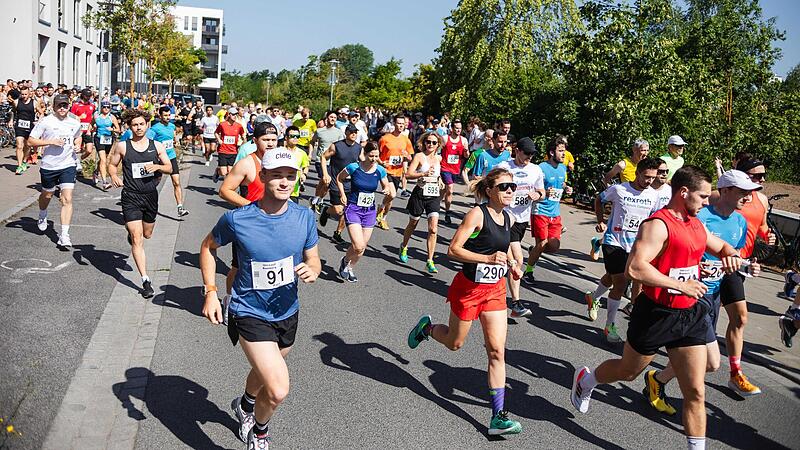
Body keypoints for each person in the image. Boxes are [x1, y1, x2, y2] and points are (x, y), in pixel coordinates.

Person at [571, 166, 742, 450]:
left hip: (690, 314)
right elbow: (635, 268)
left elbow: (720, 246)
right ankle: (587, 380)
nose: (706, 202)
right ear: (683, 193)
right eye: (702, 196)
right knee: (628, 372)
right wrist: (680, 285)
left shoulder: (696, 223)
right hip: (655, 313)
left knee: (696, 391)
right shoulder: (657, 225)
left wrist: (734, 256)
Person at [200, 148, 321, 449]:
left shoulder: (305, 217)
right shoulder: (238, 219)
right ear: (263, 176)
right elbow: (207, 247)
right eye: (277, 175)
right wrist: (211, 293)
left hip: (287, 310)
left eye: (290, 176)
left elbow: (314, 258)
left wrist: (314, 269)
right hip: (248, 310)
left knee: (267, 368)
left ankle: (244, 404)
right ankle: (260, 430)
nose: (284, 182)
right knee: (278, 388)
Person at [407, 167, 523, 436]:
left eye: (512, 187)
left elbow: (502, 251)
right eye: (504, 187)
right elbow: (453, 250)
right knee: (454, 344)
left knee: (497, 351)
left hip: (494, 291)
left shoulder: (508, 218)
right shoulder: (476, 214)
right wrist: (488, 259)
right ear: (490, 190)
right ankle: (427, 329)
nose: (509, 191)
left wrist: (513, 266)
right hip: (468, 290)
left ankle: (498, 416)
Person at [643, 169, 762, 415]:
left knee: (710, 363)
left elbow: (732, 253)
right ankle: (675, 391)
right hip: (688, 295)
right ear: (726, 190)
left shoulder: (740, 221)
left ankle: (658, 379)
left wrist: (746, 264)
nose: (748, 198)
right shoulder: (699, 214)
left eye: (750, 193)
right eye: (743, 192)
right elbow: (673, 251)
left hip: (713, 293)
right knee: (702, 364)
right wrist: (697, 268)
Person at [708, 157, 774, 397]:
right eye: (755, 177)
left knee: (740, 318)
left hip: (736, 265)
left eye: (762, 177)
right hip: (707, 269)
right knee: (704, 333)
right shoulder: (717, 198)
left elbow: (761, 227)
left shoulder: (761, 200)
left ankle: (735, 373)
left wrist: (765, 241)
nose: (761, 181)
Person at [584, 158, 661, 343]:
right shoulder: (619, 189)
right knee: (620, 283)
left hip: (636, 245)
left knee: (611, 277)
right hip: (614, 242)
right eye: (646, 177)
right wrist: (601, 221)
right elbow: (599, 200)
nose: (649, 181)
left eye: (652, 177)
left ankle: (593, 297)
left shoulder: (653, 195)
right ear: (637, 173)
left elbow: (656, 218)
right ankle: (609, 326)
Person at [107, 109, 173, 298]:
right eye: (134, 125)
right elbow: (112, 164)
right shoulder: (123, 146)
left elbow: (169, 167)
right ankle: (145, 280)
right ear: (130, 127)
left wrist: (158, 166)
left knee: (147, 234)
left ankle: (135, 235)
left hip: (150, 196)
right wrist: (113, 175)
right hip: (130, 196)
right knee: (137, 239)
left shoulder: (157, 146)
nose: (138, 128)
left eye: (141, 124)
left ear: (147, 125)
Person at [218, 122, 280, 316]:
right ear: (255, 141)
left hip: (275, 224)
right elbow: (225, 191)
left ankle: (261, 304)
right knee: (239, 267)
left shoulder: (280, 161)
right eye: (265, 140)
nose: (270, 143)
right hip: (249, 225)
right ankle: (229, 299)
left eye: (273, 139)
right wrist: (251, 207)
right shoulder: (247, 163)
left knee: (272, 265)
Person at [26, 94, 89, 248]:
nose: (62, 108)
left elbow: (78, 137)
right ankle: (42, 213)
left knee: (67, 199)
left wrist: (77, 145)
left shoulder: (74, 122)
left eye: (65, 105)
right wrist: (50, 141)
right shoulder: (46, 121)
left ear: (69, 106)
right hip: (49, 166)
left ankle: (64, 235)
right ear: (53, 106)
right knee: (47, 194)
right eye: (59, 105)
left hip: (68, 164)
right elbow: (31, 140)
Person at [496, 137, 545, 318]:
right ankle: (515, 303)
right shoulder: (504, 167)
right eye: (527, 154)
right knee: (517, 259)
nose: (529, 157)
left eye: (532, 154)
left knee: (508, 261)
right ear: (517, 150)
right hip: (504, 217)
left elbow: (542, 191)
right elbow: (490, 185)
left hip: (522, 220)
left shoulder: (536, 170)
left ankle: (495, 292)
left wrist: (537, 194)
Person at [335, 142, 390, 282]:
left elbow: (386, 184)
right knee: (358, 245)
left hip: (370, 211)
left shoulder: (380, 170)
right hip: (353, 208)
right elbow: (339, 178)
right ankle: (346, 260)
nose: (374, 159)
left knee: (362, 247)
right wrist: (342, 194)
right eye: (371, 156)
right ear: (365, 154)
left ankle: (350, 267)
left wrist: (387, 189)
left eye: (377, 156)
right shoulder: (354, 167)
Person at [522, 135, 572, 284]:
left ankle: (534, 252)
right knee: (542, 243)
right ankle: (528, 272)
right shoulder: (540, 168)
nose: (564, 154)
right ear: (552, 152)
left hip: (555, 213)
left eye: (564, 151)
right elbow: (534, 188)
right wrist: (543, 193)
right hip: (540, 210)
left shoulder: (563, 168)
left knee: (554, 247)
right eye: (561, 151)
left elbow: (560, 183)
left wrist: (566, 188)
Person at [398, 131, 444, 274]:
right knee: (413, 223)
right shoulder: (419, 156)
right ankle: (404, 246)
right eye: (428, 142)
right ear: (424, 143)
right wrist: (422, 174)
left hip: (434, 195)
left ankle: (430, 260)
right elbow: (408, 174)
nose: (430, 145)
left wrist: (440, 180)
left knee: (433, 228)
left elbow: (437, 173)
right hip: (419, 194)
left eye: (434, 143)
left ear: (438, 145)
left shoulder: (439, 158)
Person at [320, 125, 364, 244]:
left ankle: (337, 233)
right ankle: (327, 211)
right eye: (351, 132)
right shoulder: (337, 146)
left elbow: (363, 162)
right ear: (346, 132)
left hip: (351, 184)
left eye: (355, 132)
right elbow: (323, 157)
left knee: (347, 210)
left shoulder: (359, 148)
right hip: (336, 181)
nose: (353, 134)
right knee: (339, 210)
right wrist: (325, 174)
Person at [376, 114, 414, 230]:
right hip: (386, 171)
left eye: (403, 124)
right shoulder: (385, 139)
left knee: (391, 199)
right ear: (394, 124)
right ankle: (381, 208)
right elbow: (376, 154)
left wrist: (407, 157)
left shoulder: (406, 140)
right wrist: (381, 163)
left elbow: (410, 157)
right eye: (399, 123)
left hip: (398, 172)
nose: (401, 126)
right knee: (392, 194)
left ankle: (383, 218)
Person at [150, 106, 189, 217]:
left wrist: (174, 141)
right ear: (160, 116)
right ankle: (147, 201)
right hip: (159, 159)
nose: (167, 117)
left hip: (171, 157)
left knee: (176, 182)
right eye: (165, 115)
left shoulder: (172, 126)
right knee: (155, 183)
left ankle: (180, 208)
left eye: (169, 115)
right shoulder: (155, 128)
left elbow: (172, 137)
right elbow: (149, 142)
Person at [309, 111, 345, 212]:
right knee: (326, 181)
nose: (333, 119)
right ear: (327, 118)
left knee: (324, 183)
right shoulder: (320, 131)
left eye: (335, 117)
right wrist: (310, 154)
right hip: (320, 161)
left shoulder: (339, 132)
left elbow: (341, 147)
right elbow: (312, 142)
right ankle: (317, 200)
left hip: (333, 162)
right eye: (331, 117)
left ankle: (317, 200)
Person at [440, 119, 469, 225]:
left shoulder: (464, 140)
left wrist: (466, 151)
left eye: (460, 128)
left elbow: (466, 156)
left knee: (444, 191)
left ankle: (435, 204)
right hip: (445, 168)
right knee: (450, 189)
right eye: (456, 128)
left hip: (456, 169)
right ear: (452, 128)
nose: (458, 130)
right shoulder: (445, 138)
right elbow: (438, 150)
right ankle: (448, 212)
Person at [12, 85, 45, 173]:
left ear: (29, 94)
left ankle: (24, 161)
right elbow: (12, 112)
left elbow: (41, 113)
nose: (24, 96)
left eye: (25, 94)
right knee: (19, 145)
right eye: (22, 94)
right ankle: (19, 166)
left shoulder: (34, 103)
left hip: (30, 126)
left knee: (27, 146)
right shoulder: (16, 102)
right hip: (19, 126)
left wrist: (38, 122)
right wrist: (11, 120)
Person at [90, 101, 121, 190]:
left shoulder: (112, 117)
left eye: (108, 107)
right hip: (99, 138)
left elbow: (118, 129)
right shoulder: (96, 116)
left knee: (104, 159)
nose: (106, 109)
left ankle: (96, 171)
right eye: (104, 107)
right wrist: (90, 131)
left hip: (108, 140)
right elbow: (91, 124)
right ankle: (104, 182)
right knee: (103, 159)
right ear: (101, 108)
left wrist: (112, 129)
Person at [214, 107, 245, 182]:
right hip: (223, 150)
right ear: (229, 115)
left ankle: (225, 189)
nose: (235, 116)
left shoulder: (239, 126)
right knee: (223, 172)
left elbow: (243, 135)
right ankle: (218, 171)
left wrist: (243, 141)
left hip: (233, 151)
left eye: (236, 115)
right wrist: (219, 140)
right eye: (233, 114)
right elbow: (216, 133)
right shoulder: (222, 125)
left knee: (230, 172)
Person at [282, 126, 310, 202]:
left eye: (297, 136)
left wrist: (304, 174)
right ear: (286, 137)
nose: (295, 138)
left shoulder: (302, 153)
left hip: (294, 190)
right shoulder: (279, 152)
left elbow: (306, 166)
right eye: (292, 136)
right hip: (280, 188)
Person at [70, 89, 96, 160]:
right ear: (83, 95)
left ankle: (81, 159)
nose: (88, 97)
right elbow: (70, 117)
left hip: (87, 130)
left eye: (89, 96)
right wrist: (79, 117)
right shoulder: (76, 105)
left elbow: (94, 117)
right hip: (78, 130)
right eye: (87, 96)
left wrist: (94, 125)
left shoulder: (92, 106)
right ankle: (75, 162)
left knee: (89, 150)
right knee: (77, 148)